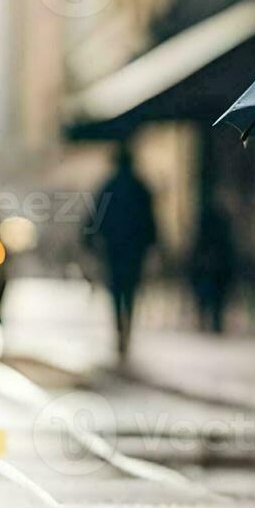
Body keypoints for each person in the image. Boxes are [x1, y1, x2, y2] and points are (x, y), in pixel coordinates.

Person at [87, 144, 157, 359]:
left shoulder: (110, 186)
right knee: (130, 290)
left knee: (117, 290)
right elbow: (151, 220)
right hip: (133, 248)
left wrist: (89, 240)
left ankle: (120, 330)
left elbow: (95, 217)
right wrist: (153, 242)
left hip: (115, 248)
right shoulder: (139, 186)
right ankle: (126, 330)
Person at [189, 196, 236, 334]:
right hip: (218, 265)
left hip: (210, 265)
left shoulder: (205, 225)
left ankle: (207, 319)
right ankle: (215, 321)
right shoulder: (222, 226)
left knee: (207, 291)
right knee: (216, 294)